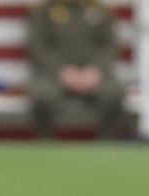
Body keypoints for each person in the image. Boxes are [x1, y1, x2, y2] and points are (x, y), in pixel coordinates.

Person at [26, 0, 125, 140]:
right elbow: (38, 47)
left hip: (94, 74)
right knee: (42, 95)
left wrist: (95, 71)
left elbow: (109, 46)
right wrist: (61, 71)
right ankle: (46, 143)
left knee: (114, 92)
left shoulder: (100, 11)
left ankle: (106, 143)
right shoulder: (44, 11)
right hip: (53, 74)